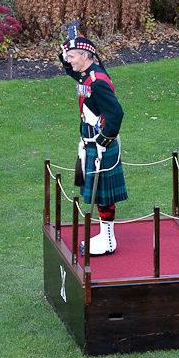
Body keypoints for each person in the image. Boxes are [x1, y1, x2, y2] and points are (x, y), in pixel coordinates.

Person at [58, 35, 127, 255]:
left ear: (85, 56)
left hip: (100, 146)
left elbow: (115, 114)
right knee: (99, 195)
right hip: (92, 143)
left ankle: (108, 240)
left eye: (72, 56)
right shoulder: (87, 75)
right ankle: (105, 235)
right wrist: (64, 57)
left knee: (103, 195)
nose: (69, 60)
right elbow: (72, 72)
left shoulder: (97, 82)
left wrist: (102, 141)